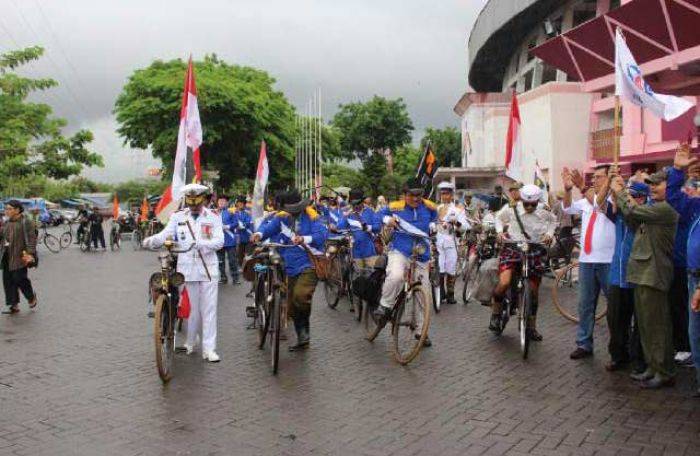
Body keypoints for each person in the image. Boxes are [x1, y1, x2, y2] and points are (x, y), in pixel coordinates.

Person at [610, 170, 678, 389]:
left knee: (657, 327)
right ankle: (652, 366)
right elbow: (631, 217)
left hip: (654, 274)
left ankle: (664, 371)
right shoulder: (652, 209)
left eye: (659, 184)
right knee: (647, 326)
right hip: (643, 273)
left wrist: (620, 193)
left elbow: (634, 210)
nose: (653, 187)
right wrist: (619, 194)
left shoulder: (665, 209)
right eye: (652, 184)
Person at [143, 183, 224, 362]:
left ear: (203, 200)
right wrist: (150, 240)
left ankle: (209, 349)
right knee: (192, 308)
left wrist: (201, 244)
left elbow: (220, 242)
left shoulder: (214, 217)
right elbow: (166, 235)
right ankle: (190, 342)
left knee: (208, 310)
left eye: (197, 202)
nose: (194, 206)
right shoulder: (177, 217)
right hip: (187, 270)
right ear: (187, 201)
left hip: (207, 269)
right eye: (191, 202)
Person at [251, 189, 328, 351]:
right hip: (289, 266)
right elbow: (268, 228)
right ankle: (302, 337)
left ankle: (304, 332)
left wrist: (304, 239)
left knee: (301, 295)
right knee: (292, 305)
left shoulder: (312, 216)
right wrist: (258, 234)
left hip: (309, 263)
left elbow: (322, 235)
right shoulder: (281, 218)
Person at [373, 177, 437, 347]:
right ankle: (384, 306)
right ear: (405, 194)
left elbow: (435, 217)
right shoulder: (395, 207)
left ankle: (421, 331)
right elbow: (377, 217)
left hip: (421, 254)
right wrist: (388, 220)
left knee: (424, 294)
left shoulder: (429, 207)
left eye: (419, 195)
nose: (416, 198)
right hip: (400, 250)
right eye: (412, 195)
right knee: (396, 276)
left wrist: (432, 224)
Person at [563, 165, 616, 359]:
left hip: (607, 261)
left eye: (599, 177)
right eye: (593, 177)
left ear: (609, 178)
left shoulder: (612, 199)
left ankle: (618, 345)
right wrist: (568, 189)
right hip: (587, 260)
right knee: (585, 304)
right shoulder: (587, 201)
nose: (595, 180)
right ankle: (584, 343)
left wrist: (582, 186)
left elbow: (597, 202)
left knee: (615, 305)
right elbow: (568, 208)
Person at [491, 184, 555, 339]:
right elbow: (498, 219)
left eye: (533, 204)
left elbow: (553, 221)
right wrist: (499, 233)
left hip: (534, 249)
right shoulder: (512, 208)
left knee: (533, 291)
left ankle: (531, 328)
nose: (529, 207)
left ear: (537, 201)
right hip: (513, 247)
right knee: (504, 282)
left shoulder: (543, 210)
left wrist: (549, 233)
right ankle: (496, 313)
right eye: (526, 204)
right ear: (522, 200)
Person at [666, 145, 700, 396]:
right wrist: (677, 170)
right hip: (692, 276)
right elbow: (674, 200)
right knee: (694, 332)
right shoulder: (694, 206)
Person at [605, 181, 648, 373]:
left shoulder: (645, 215)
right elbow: (602, 204)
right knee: (615, 318)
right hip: (617, 274)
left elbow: (632, 218)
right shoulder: (619, 213)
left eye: (634, 196)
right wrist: (612, 184)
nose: (629, 199)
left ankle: (638, 359)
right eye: (628, 195)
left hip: (637, 276)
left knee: (639, 321)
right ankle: (618, 355)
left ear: (643, 198)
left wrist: (620, 193)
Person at [0, 200, 38, 314]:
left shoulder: (26, 222)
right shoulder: (7, 223)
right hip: (7, 255)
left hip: (21, 256)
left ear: (17, 210)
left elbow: (31, 238)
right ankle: (13, 305)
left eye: (9, 209)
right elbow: (3, 237)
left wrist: (30, 254)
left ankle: (31, 297)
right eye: (6, 209)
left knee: (20, 279)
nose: (7, 211)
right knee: (8, 280)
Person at [435, 182, 469, 305]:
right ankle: (441, 292)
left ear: (451, 195)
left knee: (451, 267)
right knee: (440, 267)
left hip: (451, 240)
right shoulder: (436, 209)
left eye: (447, 194)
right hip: (438, 240)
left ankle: (450, 294)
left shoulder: (458, 210)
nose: (444, 196)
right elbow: (432, 222)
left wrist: (456, 223)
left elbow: (465, 227)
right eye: (442, 194)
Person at [336, 188, 381, 269]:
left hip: (370, 251)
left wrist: (368, 227)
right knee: (358, 278)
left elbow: (378, 227)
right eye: (353, 204)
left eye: (357, 203)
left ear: (362, 202)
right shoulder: (348, 213)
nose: (356, 206)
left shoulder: (370, 212)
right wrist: (345, 216)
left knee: (373, 276)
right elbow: (339, 227)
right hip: (355, 252)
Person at [216, 195, 239, 285]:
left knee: (232, 260)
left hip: (230, 240)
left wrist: (228, 226)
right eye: (220, 201)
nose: (221, 203)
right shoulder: (215, 212)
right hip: (219, 240)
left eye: (223, 201)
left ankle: (235, 278)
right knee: (220, 261)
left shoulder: (231, 211)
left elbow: (236, 223)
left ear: (226, 203)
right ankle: (223, 278)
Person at [231, 196, 253, 268]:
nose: (240, 205)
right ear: (236, 204)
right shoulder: (233, 213)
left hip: (247, 236)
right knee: (239, 253)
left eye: (242, 203)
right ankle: (241, 267)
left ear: (244, 204)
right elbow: (232, 222)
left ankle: (247, 268)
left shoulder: (247, 213)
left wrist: (242, 225)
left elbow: (248, 222)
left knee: (248, 254)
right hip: (237, 236)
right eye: (239, 203)